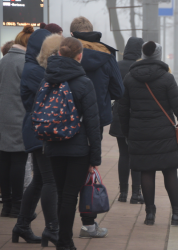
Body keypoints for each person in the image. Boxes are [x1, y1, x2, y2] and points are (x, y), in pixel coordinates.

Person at [118, 41, 178, 226]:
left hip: (139, 133)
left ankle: (149, 214)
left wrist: (128, 133)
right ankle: (177, 214)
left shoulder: (129, 78)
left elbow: (122, 109)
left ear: (142, 55)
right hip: (164, 133)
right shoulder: (167, 78)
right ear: (158, 56)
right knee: (170, 171)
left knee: (146, 171)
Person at [40, 37, 101, 250]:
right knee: (69, 196)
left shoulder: (47, 79)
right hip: (77, 149)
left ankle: (62, 239)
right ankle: (65, 243)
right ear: (79, 56)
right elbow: (93, 123)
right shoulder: (84, 83)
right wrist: (95, 157)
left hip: (53, 145)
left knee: (60, 193)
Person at [69, 16, 124, 238]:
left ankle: (55, 226)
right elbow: (119, 91)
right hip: (94, 121)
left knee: (58, 176)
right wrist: (100, 98)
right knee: (88, 169)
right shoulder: (106, 55)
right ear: (92, 32)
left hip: (63, 120)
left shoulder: (63, 52)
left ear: (72, 34)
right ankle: (89, 224)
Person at [12, 33, 64, 247]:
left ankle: (22, 225)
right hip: (39, 131)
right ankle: (53, 229)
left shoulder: (35, 69)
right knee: (50, 180)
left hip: (38, 130)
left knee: (40, 180)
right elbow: (53, 95)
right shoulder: (35, 71)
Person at [0, 25, 34, 219]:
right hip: (20, 118)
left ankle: (6, 205)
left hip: (3, 118)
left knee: (4, 161)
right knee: (19, 162)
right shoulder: (25, 63)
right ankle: (18, 206)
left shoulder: (4, 61)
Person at [109, 37, 144, 204]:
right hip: (136, 116)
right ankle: (136, 193)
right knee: (136, 154)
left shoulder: (116, 65)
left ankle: (123, 193)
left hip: (118, 114)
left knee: (123, 154)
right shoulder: (140, 67)